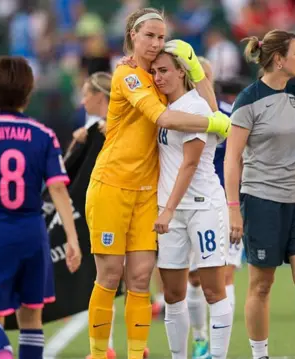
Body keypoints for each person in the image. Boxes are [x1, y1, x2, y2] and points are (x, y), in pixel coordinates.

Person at [84, 8, 232, 359]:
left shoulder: (161, 79)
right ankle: (97, 353)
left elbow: (201, 106)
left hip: (148, 192)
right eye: (149, 35)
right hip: (113, 185)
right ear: (132, 36)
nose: (155, 43)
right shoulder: (129, 74)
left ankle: (136, 354)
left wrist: (198, 75)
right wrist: (211, 124)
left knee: (139, 279)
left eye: (161, 37)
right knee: (109, 276)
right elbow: (164, 117)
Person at [0, 56, 82, 359]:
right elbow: (58, 188)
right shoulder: (43, 135)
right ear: (29, 92)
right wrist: (72, 238)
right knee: (31, 319)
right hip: (32, 236)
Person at [224, 29, 295, 359]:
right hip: (261, 199)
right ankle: (260, 354)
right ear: (278, 59)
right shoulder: (248, 100)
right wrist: (233, 209)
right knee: (261, 285)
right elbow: (232, 159)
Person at [151, 50, 234, 359]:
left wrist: (168, 209)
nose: (158, 77)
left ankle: (216, 355)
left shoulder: (195, 107)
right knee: (173, 294)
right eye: (155, 72)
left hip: (202, 207)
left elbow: (189, 164)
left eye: (164, 71)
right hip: (171, 210)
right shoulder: (165, 108)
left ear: (182, 73)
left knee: (213, 290)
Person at [183, 57, 244, 359]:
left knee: (225, 276)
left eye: (204, 76)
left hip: (224, 204)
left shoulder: (229, 116)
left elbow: (243, 159)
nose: (199, 81)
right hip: (188, 205)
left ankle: (220, 350)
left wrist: (238, 204)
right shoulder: (179, 114)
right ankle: (200, 339)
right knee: (194, 279)